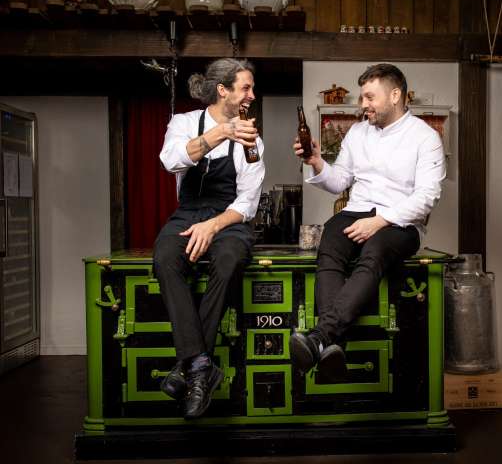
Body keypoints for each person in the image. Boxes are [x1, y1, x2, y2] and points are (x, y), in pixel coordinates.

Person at [289, 63, 446, 380]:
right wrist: (316, 162)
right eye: (363, 97)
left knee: (374, 252)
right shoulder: (358, 132)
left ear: (395, 95)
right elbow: (340, 180)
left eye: (370, 97)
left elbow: (427, 197)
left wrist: (380, 221)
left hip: (402, 221)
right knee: (331, 239)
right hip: (357, 210)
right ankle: (332, 345)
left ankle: (320, 336)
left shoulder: (426, 137)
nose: (363, 105)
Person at [153, 58, 265, 419]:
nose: (251, 94)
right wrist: (221, 133)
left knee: (229, 259)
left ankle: (187, 365)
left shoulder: (252, 139)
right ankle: (202, 363)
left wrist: (213, 226)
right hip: (188, 212)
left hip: (228, 217)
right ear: (223, 90)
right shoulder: (184, 123)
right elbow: (170, 160)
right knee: (165, 258)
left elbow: (247, 202)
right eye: (245, 87)